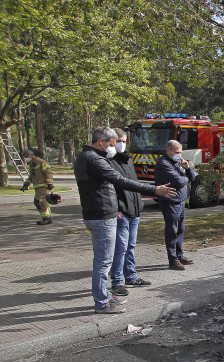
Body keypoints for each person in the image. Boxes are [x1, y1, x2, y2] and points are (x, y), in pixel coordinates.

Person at [74, 126, 177, 314]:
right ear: (101, 141)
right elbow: (119, 180)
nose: (113, 147)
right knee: (104, 262)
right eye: (112, 144)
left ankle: (105, 296)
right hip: (102, 215)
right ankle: (102, 303)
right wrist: (154, 189)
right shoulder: (93, 159)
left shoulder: (89, 157)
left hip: (100, 214)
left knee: (105, 260)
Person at [107, 128, 151, 298]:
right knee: (121, 248)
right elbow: (110, 188)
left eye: (124, 141)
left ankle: (131, 276)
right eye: (119, 141)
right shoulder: (108, 161)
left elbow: (134, 184)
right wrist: (116, 208)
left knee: (130, 246)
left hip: (134, 210)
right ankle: (117, 281)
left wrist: (138, 204)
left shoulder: (127, 160)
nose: (122, 144)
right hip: (122, 211)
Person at [154, 139, 196, 270]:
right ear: (169, 151)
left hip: (181, 200)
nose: (180, 155)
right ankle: (173, 260)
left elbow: (192, 178)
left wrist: (187, 169)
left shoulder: (177, 162)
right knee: (172, 230)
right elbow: (178, 181)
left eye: (181, 152)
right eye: (177, 152)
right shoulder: (163, 164)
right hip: (170, 202)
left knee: (180, 229)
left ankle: (179, 255)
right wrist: (185, 178)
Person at [20, 149, 54, 225]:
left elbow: (48, 172)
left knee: (39, 202)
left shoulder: (41, 162)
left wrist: (49, 183)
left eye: (26, 156)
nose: (26, 158)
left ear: (31, 155)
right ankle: (46, 218)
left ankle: (47, 218)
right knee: (42, 202)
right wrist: (26, 184)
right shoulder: (32, 164)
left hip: (43, 186)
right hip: (38, 186)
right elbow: (32, 176)